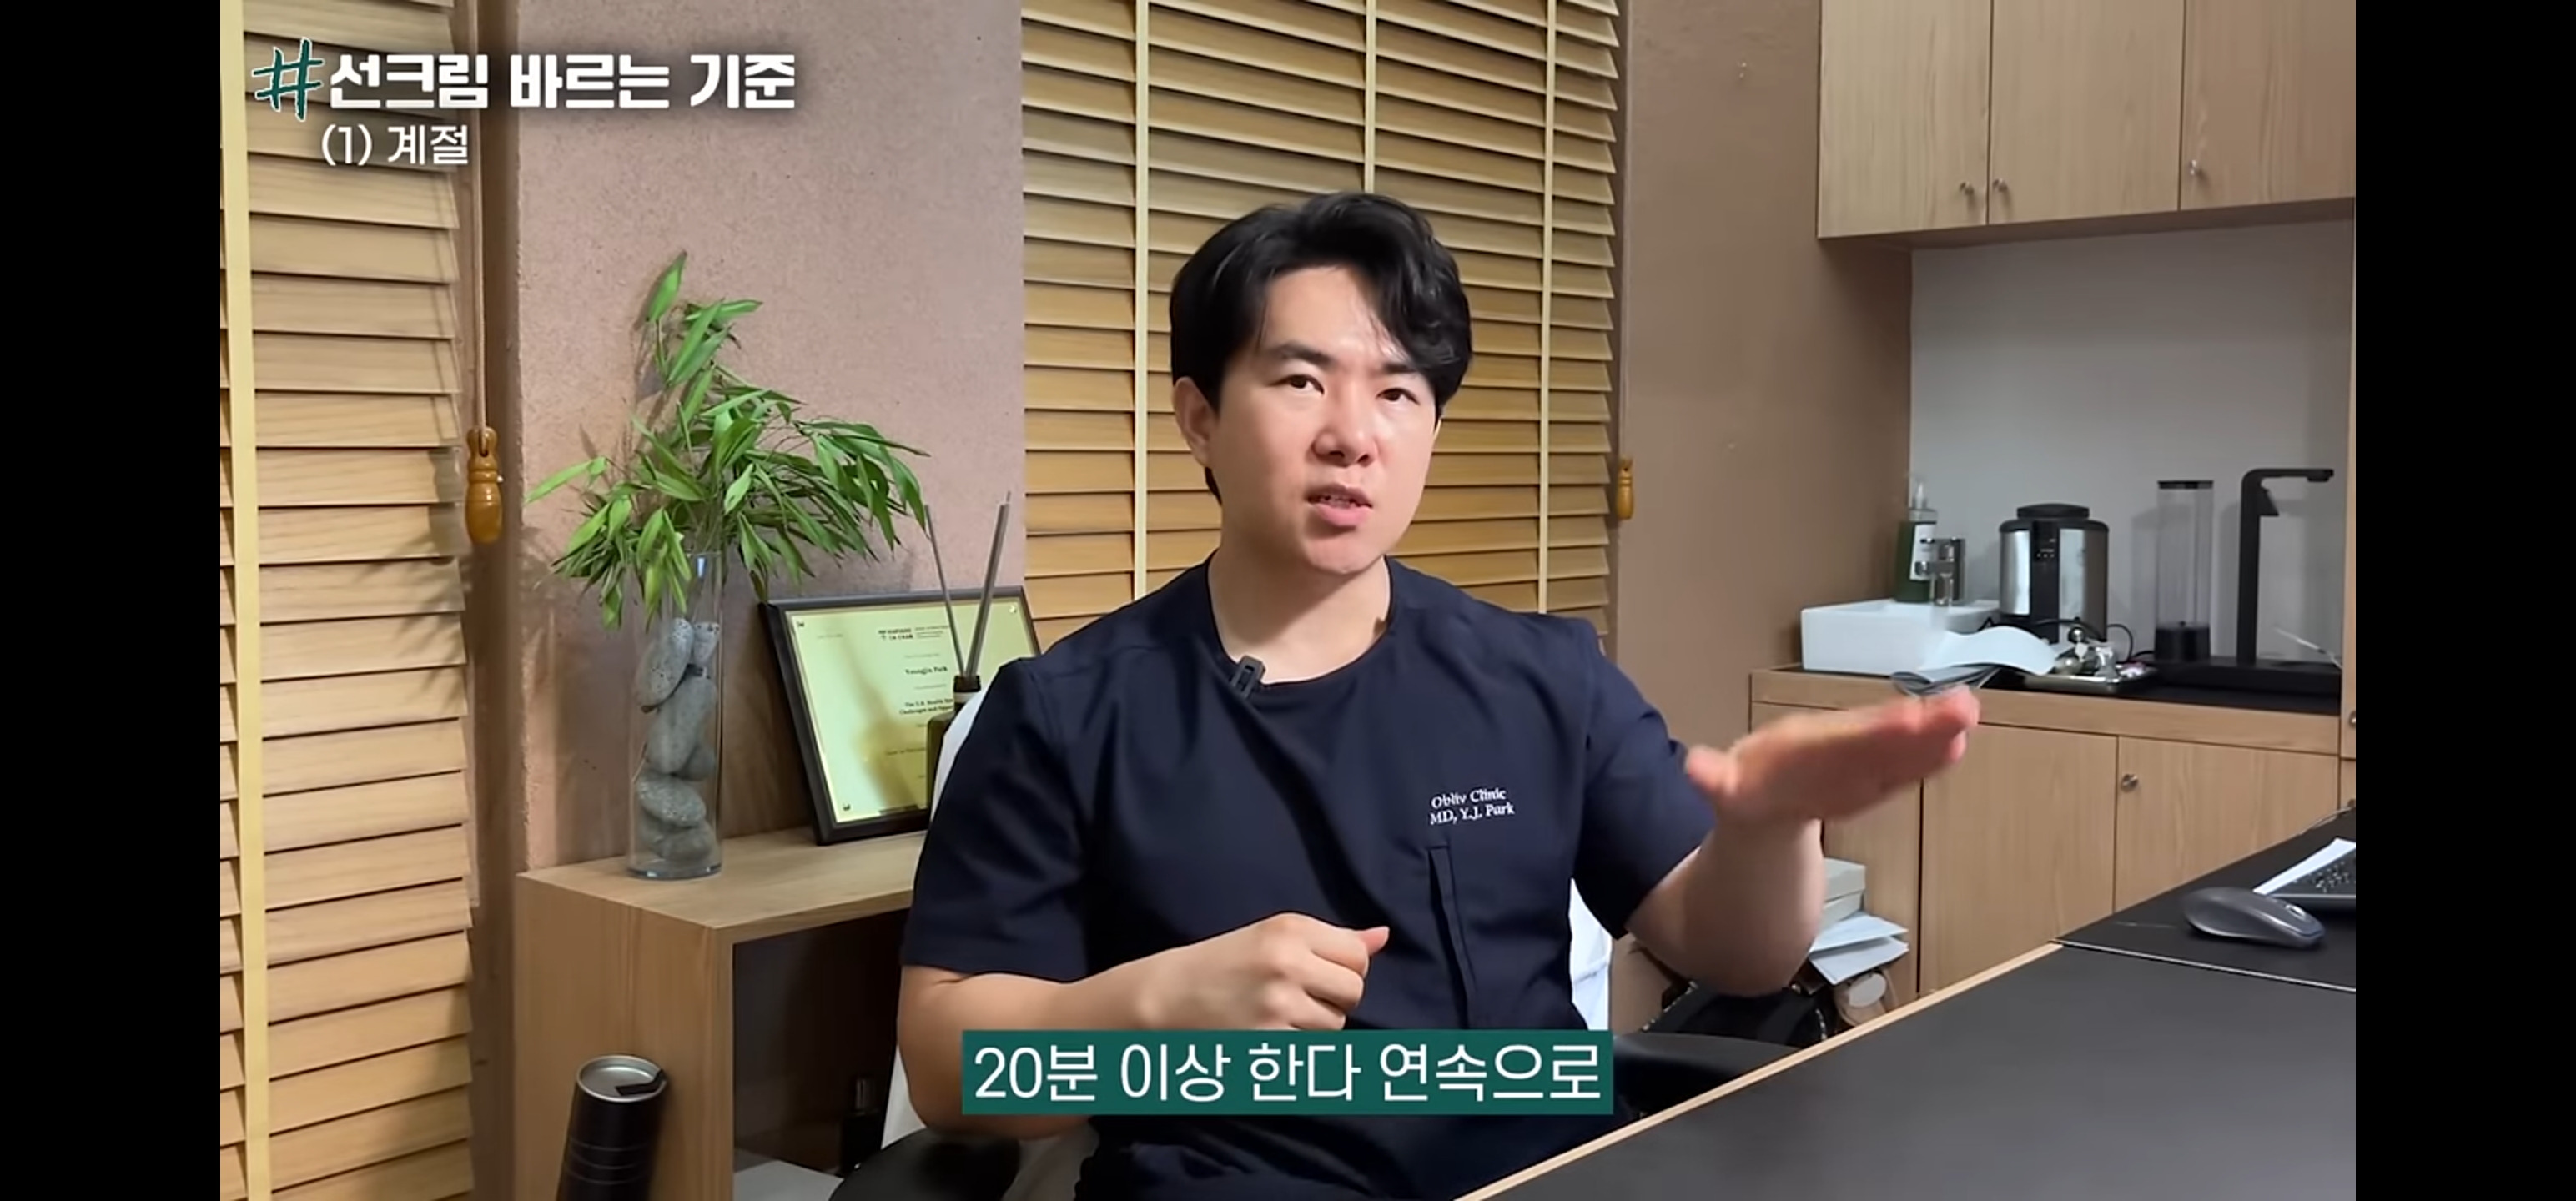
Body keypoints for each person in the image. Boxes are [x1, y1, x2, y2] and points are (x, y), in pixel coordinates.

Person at [898, 191, 1979, 1200]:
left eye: (1398, 392)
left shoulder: (1542, 675)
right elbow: (948, 1070)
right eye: (1301, 381)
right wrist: (1155, 1011)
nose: (1352, 433)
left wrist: (1770, 826)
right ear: (1199, 418)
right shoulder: (1064, 713)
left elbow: (1736, 952)